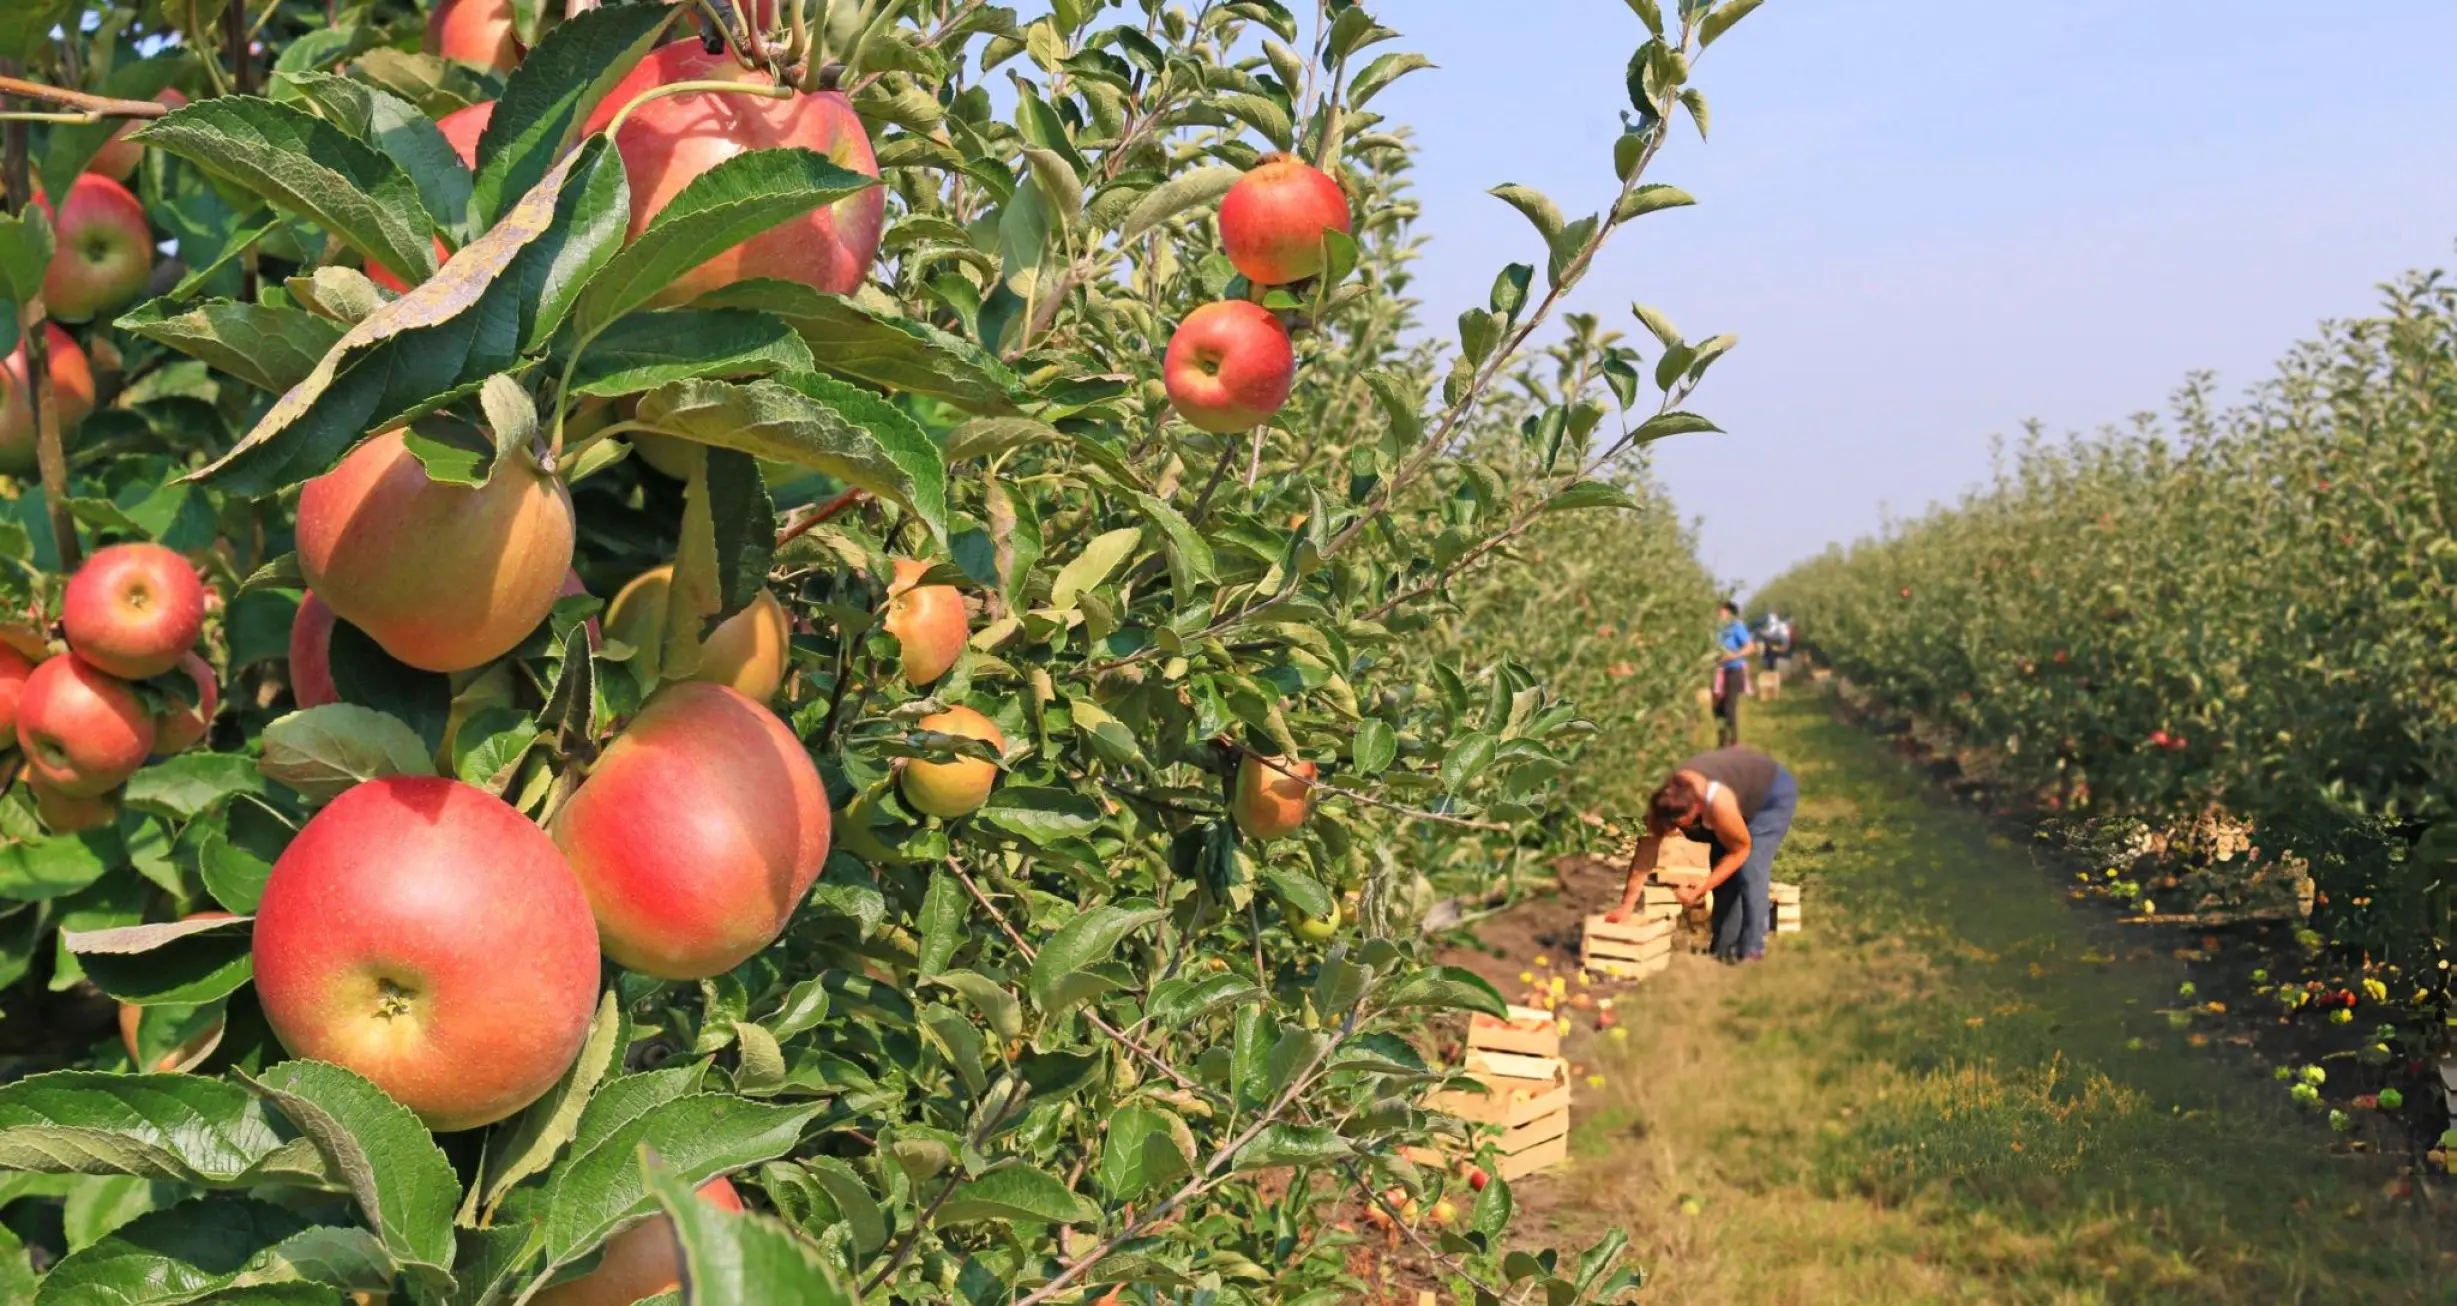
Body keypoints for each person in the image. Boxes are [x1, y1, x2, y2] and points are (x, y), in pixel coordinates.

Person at [1605, 745, 1799, 963]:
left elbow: (1740, 850)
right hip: (1735, 793)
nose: (1674, 828)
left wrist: (1701, 887)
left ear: (1696, 807)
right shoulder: (1665, 800)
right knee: (1723, 872)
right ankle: (1724, 951)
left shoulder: (1719, 803)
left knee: (1750, 868)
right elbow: (1645, 853)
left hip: (1770, 794)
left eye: (1679, 823)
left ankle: (1753, 950)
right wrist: (1626, 907)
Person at [1712, 600, 1754, 746]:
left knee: (1730, 707)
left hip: (1734, 670)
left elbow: (1750, 647)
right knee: (1718, 709)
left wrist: (1734, 655)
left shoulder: (1736, 627)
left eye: (1723, 610)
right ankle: (1721, 743)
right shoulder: (1716, 629)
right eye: (1719, 610)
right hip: (1718, 671)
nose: (1720, 613)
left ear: (1730, 613)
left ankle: (1733, 743)